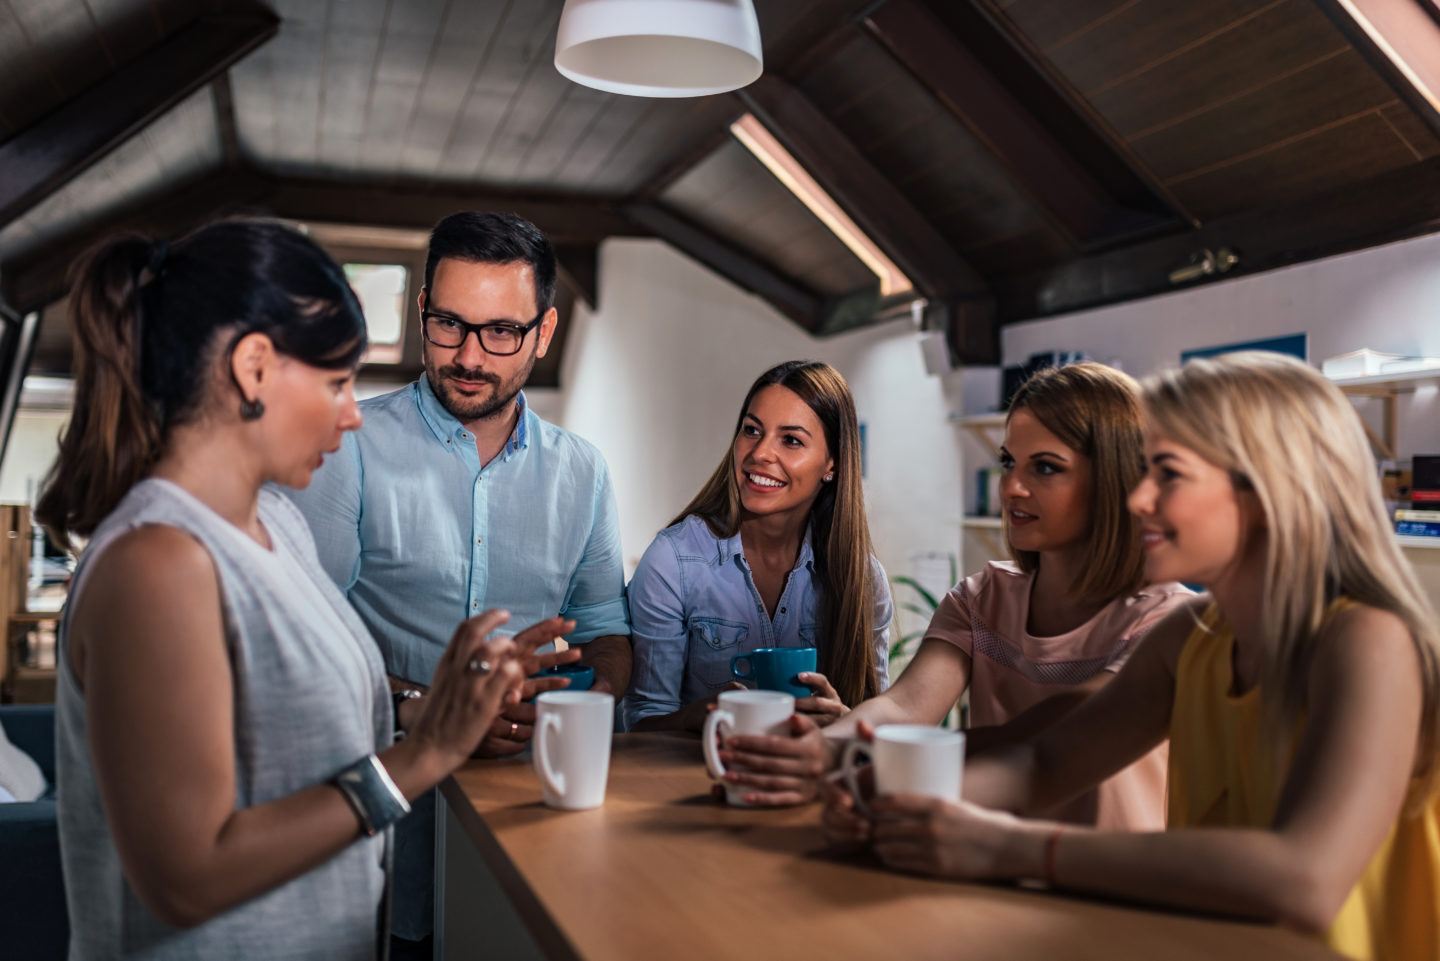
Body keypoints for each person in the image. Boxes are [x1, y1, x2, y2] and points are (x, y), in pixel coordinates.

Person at [37, 220, 567, 960]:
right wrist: (425, 754)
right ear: (254, 368)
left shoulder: (276, 523)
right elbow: (186, 877)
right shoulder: (155, 562)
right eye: (337, 382)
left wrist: (438, 702)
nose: (353, 414)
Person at [825, 352, 1440, 961]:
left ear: (1267, 489)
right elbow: (1041, 765)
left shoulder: (1366, 640)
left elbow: (1303, 878)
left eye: (1167, 474)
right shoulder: (1188, 636)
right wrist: (897, 811)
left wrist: (1010, 848)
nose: (1137, 497)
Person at [283, 211, 630, 954]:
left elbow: (608, 637)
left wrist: (570, 712)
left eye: (502, 331)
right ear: (421, 314)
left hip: (527, 834)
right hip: (376, 839)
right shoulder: (347, 444)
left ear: (544, 331)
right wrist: (429, 706)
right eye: (449, 324)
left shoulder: (585, 472)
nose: (470, 355)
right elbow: (303, 641)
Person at [719, 362, 1189, 828]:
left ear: (1114, 479)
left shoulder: (1167, 620)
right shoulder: (981, 598)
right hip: (977, 865)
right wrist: (819, 748)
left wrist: (844, 756)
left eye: (1045, 467)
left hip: (1103, 887)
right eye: (1008, 462)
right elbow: (904, 706)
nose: (1013, 487)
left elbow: (1057, 734)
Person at [622, 360, 893, 732]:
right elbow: (639, 723)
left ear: (831, 464)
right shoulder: (673, 562)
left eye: (791, 440)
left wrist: (845, 725)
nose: (760, 453)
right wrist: (696, 719)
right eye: (752, 430)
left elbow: (875, 730)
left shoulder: (863, 581)